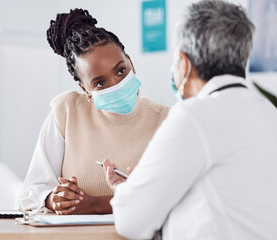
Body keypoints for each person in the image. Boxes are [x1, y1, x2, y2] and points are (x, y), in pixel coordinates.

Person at [103, 0, 277, 239]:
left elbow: (131, 221)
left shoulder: (194, 116)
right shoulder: (269, 112)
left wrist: (129, 191)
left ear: (184, 64)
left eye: (175, 61)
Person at [19, 8, 169, 215]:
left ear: (131, 62)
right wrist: (55, 199)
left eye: (120, 70)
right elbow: (31, 191)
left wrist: (95, 204)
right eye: (100, 83)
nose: (116, 84)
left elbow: (172, 195)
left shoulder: (166, 120)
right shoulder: (66, 112)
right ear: (84, 89)